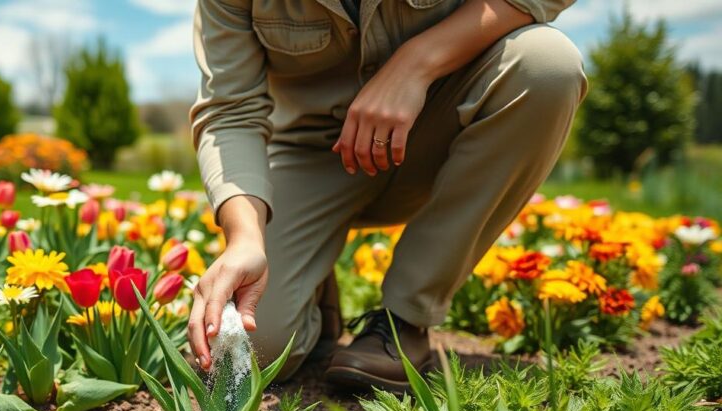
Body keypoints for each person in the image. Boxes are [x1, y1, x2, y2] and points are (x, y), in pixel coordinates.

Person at [187, 0, 586, 391]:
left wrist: (418, 62)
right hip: (314, 153)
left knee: (547, 64)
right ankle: (314, 293)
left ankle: (404, 320)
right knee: (251, 352)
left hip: (445, 125)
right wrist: (245, 239)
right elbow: (231, 112)